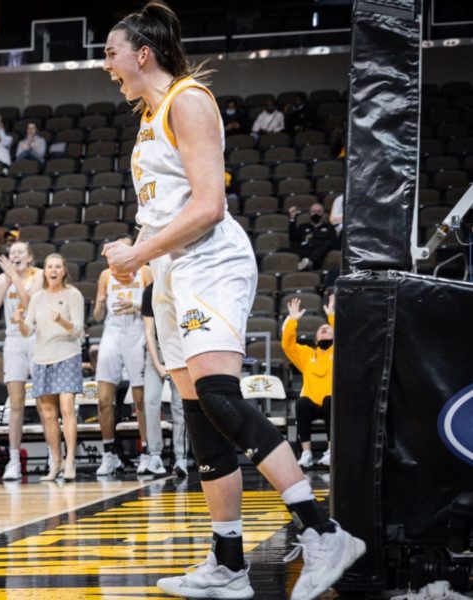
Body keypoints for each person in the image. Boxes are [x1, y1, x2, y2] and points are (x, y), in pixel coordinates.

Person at [101, 4, 364, 598]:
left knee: (219, 396)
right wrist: (139, 252)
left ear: (142, 53)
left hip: (209, 261)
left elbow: (208, 206)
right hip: (170, 270)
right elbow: (166, 209)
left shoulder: (189, 100)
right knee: (199, 418)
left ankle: (324, 533)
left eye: (112, 53)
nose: (107, 65)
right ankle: (228, 564)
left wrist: (140, 256)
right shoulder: (147, 119)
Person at [16, 253, 84, 482]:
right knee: (48, 414)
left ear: (64, 270)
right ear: (44, 271)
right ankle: (56, 462)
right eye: (49, 267)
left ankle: (71, 460)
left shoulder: (73, 294)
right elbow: (28, 331)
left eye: (57, 266)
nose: (53, 270)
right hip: (42, 358)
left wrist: (61, 320)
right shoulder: (37, 298)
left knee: (67, 409)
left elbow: (78, 330)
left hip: (67, 355)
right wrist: (18, 322)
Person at [92, 239, 152, 477]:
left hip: (137, 332)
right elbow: (97, 316)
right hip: (112, 332)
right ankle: (109, 454)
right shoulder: (106, 276)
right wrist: (98, 302)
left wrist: (135, 304)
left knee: (140, 400)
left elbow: (154, 305)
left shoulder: (145, 271)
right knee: (103, 399)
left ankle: (147, 452)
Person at [0, 241, 43, 480]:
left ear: (29, 257)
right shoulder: (4, 278)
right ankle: (13, 460)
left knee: (43, 401)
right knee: (16, 403)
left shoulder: (39, 275)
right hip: (13, 340)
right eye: (12, 253)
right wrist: (3, 281)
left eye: (21, 252)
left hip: (37, 338)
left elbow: (30, 302)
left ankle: (53, 455)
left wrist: (14, 277)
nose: (16, 255)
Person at [283, 295, 335, 469]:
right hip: (312, 401)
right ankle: (306, 454)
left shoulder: (339, 352)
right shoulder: (306, 354)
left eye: (328, 328)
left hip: (331, 402)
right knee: (301, 403)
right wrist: (292, 321)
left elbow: (346, 337)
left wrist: (332, 317)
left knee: (331, 401)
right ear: (315, 338)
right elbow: (288, 346)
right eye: (321, 329)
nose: (324, 329)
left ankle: (330, 451)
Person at [141, 281, 187, 478]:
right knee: (150, 400)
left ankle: (181, 457)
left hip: (180, 349)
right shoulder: (150, 291)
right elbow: (149, 333)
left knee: (179, 405)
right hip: (156, 351)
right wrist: (158, 364)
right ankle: (154, 455)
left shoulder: (182, 284)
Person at [288, 203, 339, 271]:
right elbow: (292, 237)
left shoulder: (329, 228)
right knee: (280, 250)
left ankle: (310, 261)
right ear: (309, 214)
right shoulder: (303, 227)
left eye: (319, 211)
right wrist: (292, 218)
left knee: (328, 244)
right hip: (304, 250)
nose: (316, 214)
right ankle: (307, 262)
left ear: (323, 214)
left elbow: (334, 243)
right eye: (313, 211)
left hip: (319, 252)